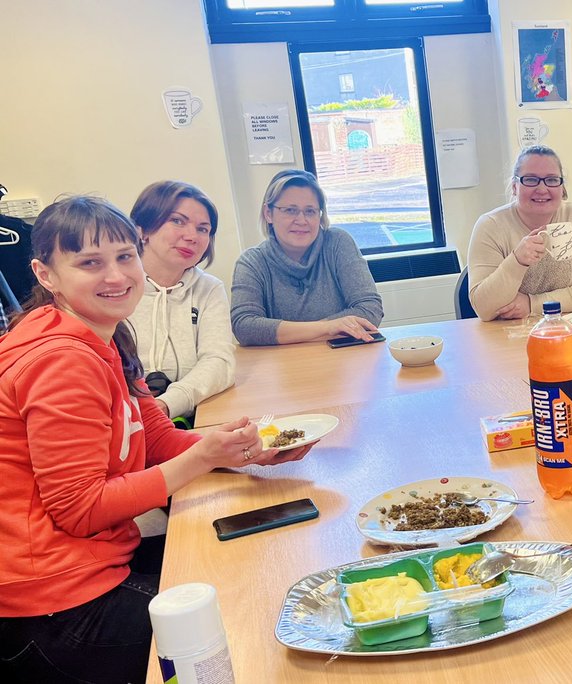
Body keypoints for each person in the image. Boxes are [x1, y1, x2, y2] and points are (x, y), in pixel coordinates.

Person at [0, 196, 311, 682]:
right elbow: (79, 509)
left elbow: (159, 441)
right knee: (254, 622)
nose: (116, 276)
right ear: (46, 275)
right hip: (52, 607)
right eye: (89, 263)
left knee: (252, 567)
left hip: (92, 568)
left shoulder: (106, 337)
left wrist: (244, 451)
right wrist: (202, 458)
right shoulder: (61, 359)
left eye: (125, 257)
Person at [230, 169, 383, 345]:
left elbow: (370, 309)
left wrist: (293, 332)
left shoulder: (338, 243)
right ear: (268, 214)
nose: (301, 220)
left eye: (310, 211)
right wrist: (327, 327)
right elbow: (244, 326)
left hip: (343, 362)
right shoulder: (252, 262)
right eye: (290, 210)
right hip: (283, 367)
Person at [127, 181, 234, 422]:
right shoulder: (116, 287)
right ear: (141, 230)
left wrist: (167, 404)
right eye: (177, 221)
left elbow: (219, 362)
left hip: (189, 415)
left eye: (203, 229)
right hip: (125, 421)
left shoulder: (209, 288)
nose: (191, 237)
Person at [467, 145, 572, 321]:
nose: (542, 189)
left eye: (551, 180)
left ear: (562, 188)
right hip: (507, 336)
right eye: (531, 180)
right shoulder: (490, 225)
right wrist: (517, 261)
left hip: (567, 330)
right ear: (514, 186)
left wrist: (531, 304)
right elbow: (483, 308)